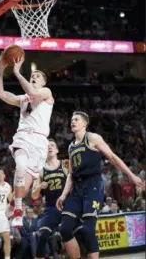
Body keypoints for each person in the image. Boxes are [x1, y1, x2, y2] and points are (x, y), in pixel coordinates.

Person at [56, 111, 145, 259]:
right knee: (64, 229)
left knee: (88, 229)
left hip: (93, 185)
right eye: (71, 119)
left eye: (76, 119)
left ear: (84, 123)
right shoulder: (71, 147)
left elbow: (112, 157)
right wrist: (63, 195)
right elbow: (71, 174)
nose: (73, 121)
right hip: (76, 188)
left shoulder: (92, 138)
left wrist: (132, 176)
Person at [0, 56, 54, 227]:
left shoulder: (46, 93)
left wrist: (17, 73)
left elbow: (34, 93)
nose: (34, 77)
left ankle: (14, 203)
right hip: (23, 137)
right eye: (32, 75)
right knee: (20, 167)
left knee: (24, 187)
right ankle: (19, 210)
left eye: (37, 76)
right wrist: (1, 70)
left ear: (43, 82)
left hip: (39, 142)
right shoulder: (23, 98)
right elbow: (0, 93)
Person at [31, 139, 69, 259]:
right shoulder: (41, 170)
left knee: (75, 235)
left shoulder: (65, 164)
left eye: (52, 145)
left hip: (67, 206)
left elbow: (75, 181)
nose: (49, 147)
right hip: (51, 208)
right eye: (47, 146)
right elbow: (33, 195)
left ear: (57, 150)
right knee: (42, 236)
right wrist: (39, 187)